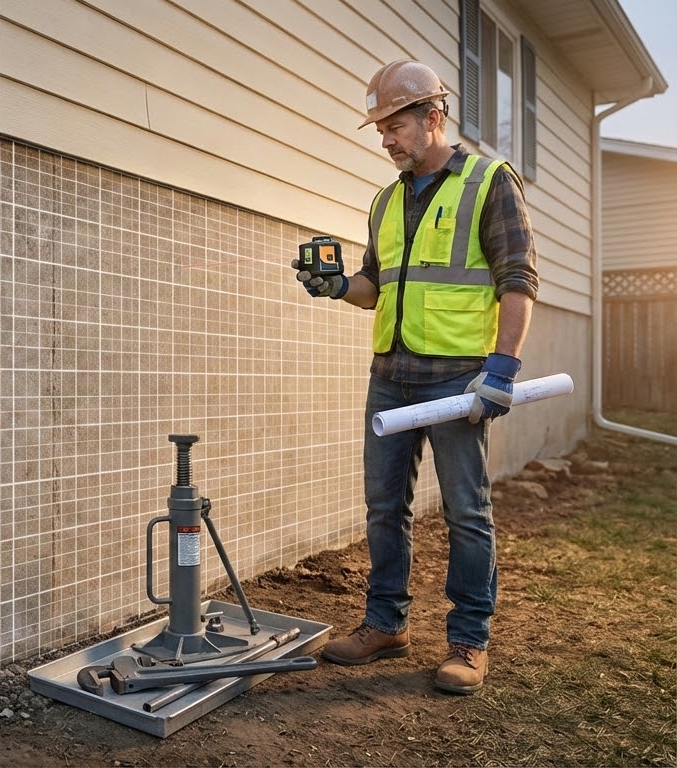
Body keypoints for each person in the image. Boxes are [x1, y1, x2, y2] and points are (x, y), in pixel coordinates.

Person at [292, 60, 539, 694]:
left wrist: (502, 367)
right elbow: (378, 288)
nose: (386, 141)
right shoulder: (386, 200)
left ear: (433, 117)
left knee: (466, 512)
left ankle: (468, 640)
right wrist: (338, 285)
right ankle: (386, 623)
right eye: (380, 130)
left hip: (458, 379)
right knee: (384, 509)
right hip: (391, 375)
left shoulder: (489, 182)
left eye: (394, 126)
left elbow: (518, 279)